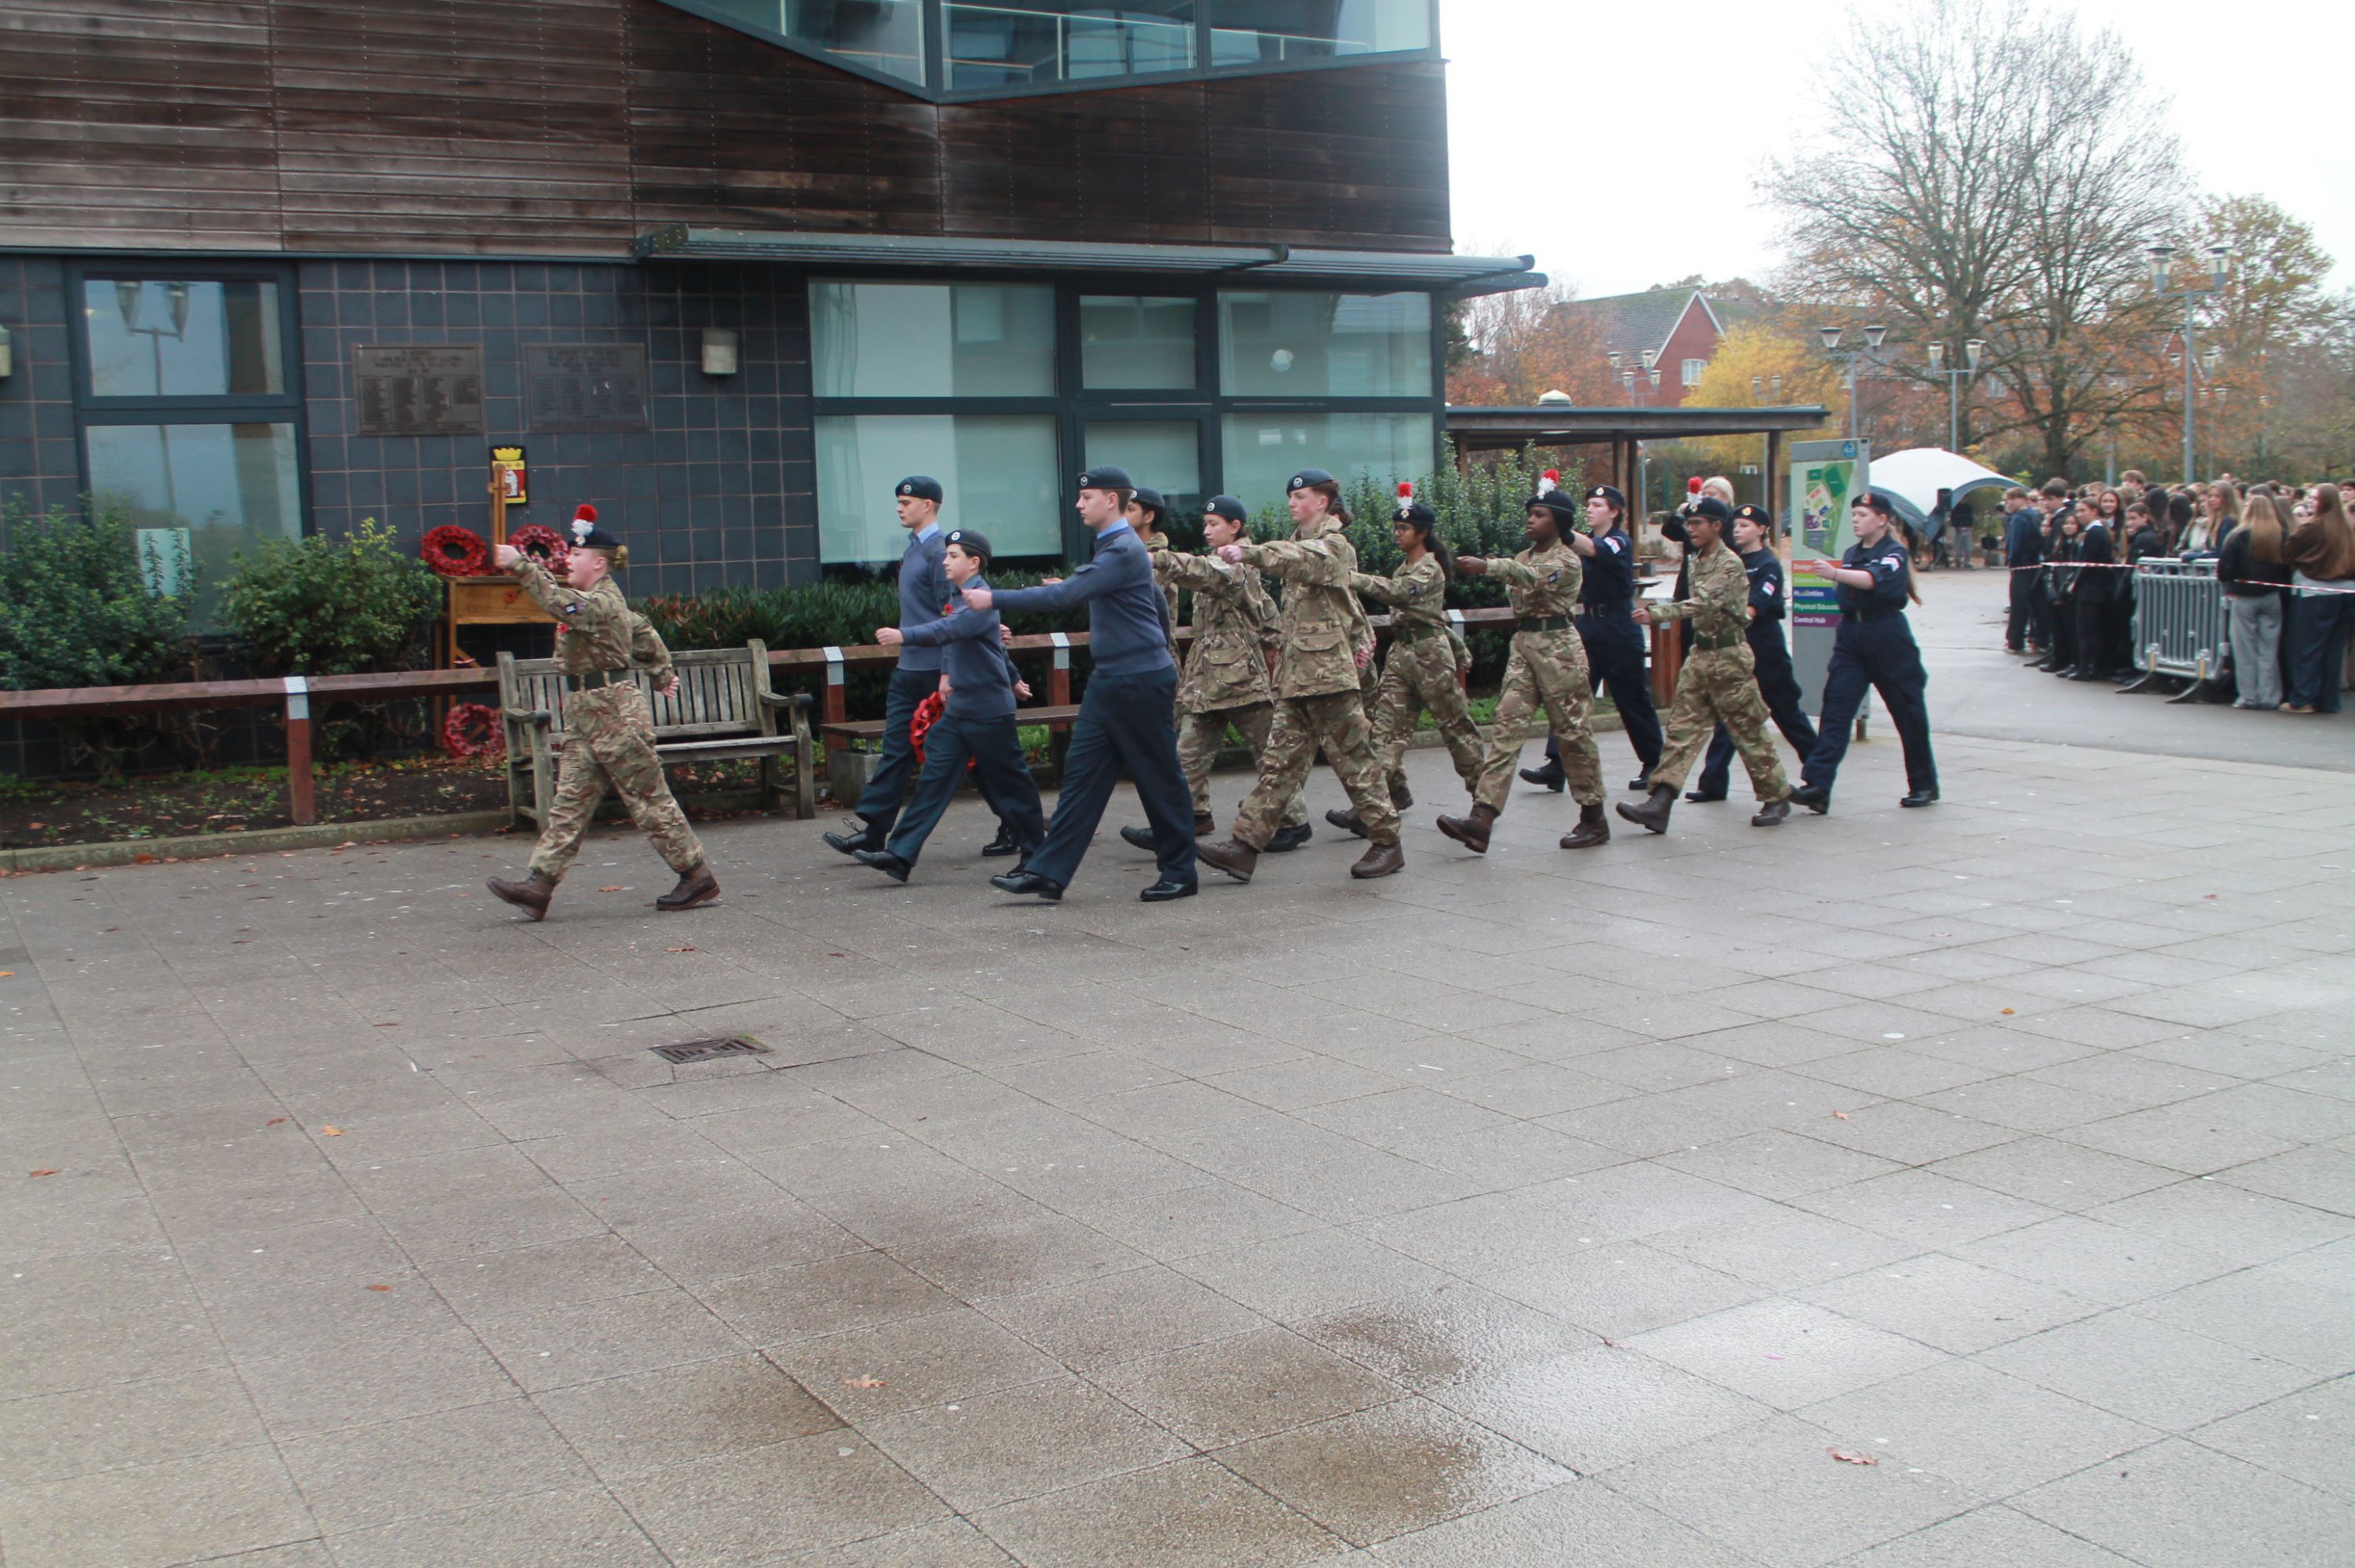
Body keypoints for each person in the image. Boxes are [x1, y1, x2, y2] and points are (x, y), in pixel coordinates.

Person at [971, 466, 1198, 902]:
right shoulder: (1113, 548)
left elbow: (1062, 598)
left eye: (1086, 497)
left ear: (1111, 500)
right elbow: (1153, 604)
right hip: (1112, 679)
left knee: (1158, 777)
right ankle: (1048, 873)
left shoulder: (1122, 549)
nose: (1078, 504)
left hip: (1138, 680)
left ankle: (1180, 871)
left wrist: (992, 597)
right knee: (1081, 778)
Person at [486, 506, 719, 919]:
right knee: (570, 803)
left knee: (648, 800)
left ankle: (695, 874)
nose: (567, 561)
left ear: (598, 562)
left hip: (615, 714)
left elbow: (560, 604)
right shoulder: (602, 603)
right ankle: (539, 885)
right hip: (586, 716)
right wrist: (662, 672)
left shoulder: (601, 603)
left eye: (575, 556)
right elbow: (642, 630)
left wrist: (520, 565)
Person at [1195, 470, 1405, 883]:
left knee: (1356, 762)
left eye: (1302, 496)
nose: (1293, 502)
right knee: (1278, 766)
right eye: (1291, 496)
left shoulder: (1333, 546)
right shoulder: (1298, 544)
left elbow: (1303, 562)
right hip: (1298, 678)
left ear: (1323, 502)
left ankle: (1387, 842)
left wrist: (1250, 553)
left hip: (1328, 677)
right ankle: (1244, 847)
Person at [824, 477, 1021, 861]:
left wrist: (948, 672)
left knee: (972, 754)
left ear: (928, 505)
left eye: (906, 502)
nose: (899, 508)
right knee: (897, 747)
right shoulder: (914, 550)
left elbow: (953, 613)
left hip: (935, 669)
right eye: (898, 502)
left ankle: (1016, 820)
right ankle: (875, 832)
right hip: (909, 667)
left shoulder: (940, 551)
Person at [851, 531, 1047, 883]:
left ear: (974, 562)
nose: (945, 561)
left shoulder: (980, 598)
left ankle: (1038, 858)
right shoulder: (960, 598)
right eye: (946, 555)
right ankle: (900, 854)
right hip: (961, 712)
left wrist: (904, 635)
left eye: (953, 555)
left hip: (988, 710)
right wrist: (1015, 679)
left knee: (1014, 787)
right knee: (934, 780)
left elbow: (949, 630)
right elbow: (994, 648)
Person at [1122, 494, 1310, 850]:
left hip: (1243, 682)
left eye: (1214, 525)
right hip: (1208, 683)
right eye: (1205, 524)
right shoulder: (1220, 561)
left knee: (1269, 755)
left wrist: (1158, 559)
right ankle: (1189, 817)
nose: (1206, 530)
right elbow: (1267, 613)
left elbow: (1205, 574)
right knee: (1186, 755)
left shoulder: (1239, 564)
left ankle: (1292, 822)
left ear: (1235, 528)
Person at [1435, 477, 1611, 853]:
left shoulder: (1566, 561)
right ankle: (1481, 820)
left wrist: (1487, 567)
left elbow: (1534, 580)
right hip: (1525, 646)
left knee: (1573, 735)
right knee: (1506, 730)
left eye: (1539, 515)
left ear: (1559, 522)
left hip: (1559, 649)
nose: (1530, 521)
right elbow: (1522, 580)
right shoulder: (1521, 558)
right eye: (1530, 514)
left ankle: (1594, 817)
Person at [1617, 497, 1792, 833]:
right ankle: (1660, 803)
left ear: (1717, 527)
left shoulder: (1730, 564)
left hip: (1729, 658)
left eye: (1698, 524)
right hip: (1701, 656)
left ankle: (1776, 795)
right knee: (1681, 731)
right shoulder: (1698, 560)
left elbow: (1703, 603)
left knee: (1748, 731)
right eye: (1689, 523)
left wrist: (1658, 614)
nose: (1691, 529)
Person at [1331, 484, 1483, 836]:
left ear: (1423, 533)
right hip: (1403, 654)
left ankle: (1484, 802)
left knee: (1456, 730)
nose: (1398, 534)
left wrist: (1351, 578)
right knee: (1385, 733)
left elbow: (1399, 594)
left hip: (1430, 657)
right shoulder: (1405, 566)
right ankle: (1374, 806)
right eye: (1396, 528)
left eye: (1404, 529)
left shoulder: (1428, 569)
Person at [1788, 490, 1939, 813]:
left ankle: (1924, 784)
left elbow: (1873, 580)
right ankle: (1817, 785)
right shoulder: (1852, 552)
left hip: (1886, 636)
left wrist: (1836, 574)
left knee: (1908, 712)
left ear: (1882, 520)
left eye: (1863, 515)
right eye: (1854, 515)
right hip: (1852, 636)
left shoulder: (1894, 552)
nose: (1856, 520)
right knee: (1837, 710)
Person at [1523, 482, 1663, 795]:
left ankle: (1655, 764)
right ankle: (1558, 765)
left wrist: (1561, 525)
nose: (1590, 509)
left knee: (1632, 699)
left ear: (1615, 511)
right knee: (1571, 694)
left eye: (1598, 505)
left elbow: (1592, 549)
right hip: (1589, 623)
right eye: (1588, 504)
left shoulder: (1618, 542)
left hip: (1618, 627)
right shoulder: (1580, 545)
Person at [1688, 503, 1819, 802]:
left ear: (1762, 529)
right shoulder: (1731, 562)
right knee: (1728, 712)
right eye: (1736, 526)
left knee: (1787, 712)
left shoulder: (1767, 564)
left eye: (1746, 526)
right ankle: (1713, 782)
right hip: (1736, 645)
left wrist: (1730, 614)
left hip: (1764, 645)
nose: (1739, 530)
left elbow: (1757, 603)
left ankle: (1818, 775)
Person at [2282, 481, 2355, 715]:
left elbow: (2288, 551)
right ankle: (2327, 699)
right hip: (2344, 592)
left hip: (2314, 591)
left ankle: (2304, 699)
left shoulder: (2313, 527)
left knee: (2307, 648)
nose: (2311, 502)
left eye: (2315, 499)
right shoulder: (2347, 528)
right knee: (2333, 649)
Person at [2218, 492, 2295, 710]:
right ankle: (2269, 696)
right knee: (2268, 649)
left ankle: (2248, 696)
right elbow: (2286, 568)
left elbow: (2224, 571)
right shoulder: (2280, 534)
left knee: (2244, 650)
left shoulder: (2238, 536)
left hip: (2244, 596)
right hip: (2271, 596)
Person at [2065, 493, 2118, 681]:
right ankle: (2091, 666)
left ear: (2094, 512)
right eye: (2078, 511)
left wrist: (2075, 584)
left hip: (2092, 589)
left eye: (2083, 511)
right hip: (2094, 587)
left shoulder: (2095, 533)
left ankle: (2088, 667)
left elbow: (2087, 562)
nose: (2079, 515)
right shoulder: (2096, 531)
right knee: (2089, 629)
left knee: (2087, 629)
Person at [2036, 500, 2083, 674]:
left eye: (2073, 524)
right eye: (2067, 524)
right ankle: (2060, 658)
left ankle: (2072, 661)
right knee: (2058, 628)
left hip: (2069, 590)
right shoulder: (2061, 543)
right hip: (2057, 587)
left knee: (2071, 629)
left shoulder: (2078, 544)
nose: (2069, 527)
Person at [2002, 487, 2044, 653]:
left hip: (2022, 566)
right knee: (2036, 605)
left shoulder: (2019, 519)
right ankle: (2038, 638)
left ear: (2022, 499)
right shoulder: (2035, 516)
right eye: (2008, 500)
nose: (2009, 503)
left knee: (2019, 605)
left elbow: (2014, 544)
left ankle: (2015, 640)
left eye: (2013, 499)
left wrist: (2011, 561)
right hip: (2035, 565)